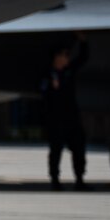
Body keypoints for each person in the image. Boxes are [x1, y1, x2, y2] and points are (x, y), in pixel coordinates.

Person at [39, 35, 89, 190]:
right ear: (57, 57)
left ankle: (79, 179)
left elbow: (83, 58)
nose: (67, 58)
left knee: (79, 148)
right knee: (56, 150)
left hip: (72, 118)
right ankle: (55, 179)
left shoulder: (69, 71)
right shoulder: (47, 74)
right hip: (55, 119)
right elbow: (43, 94)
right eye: (64, 55)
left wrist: (83, 41)